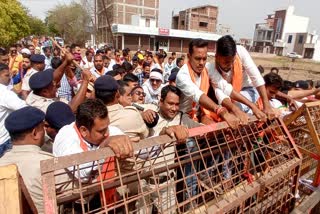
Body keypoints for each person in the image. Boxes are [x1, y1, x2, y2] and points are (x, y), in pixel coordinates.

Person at [136, 85, 191, 213]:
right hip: (143, 182)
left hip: (166, 182)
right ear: (161, 102)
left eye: (177, 104)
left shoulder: (181, 118)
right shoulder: (150, 110)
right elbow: (127, 106)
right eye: (170, 103)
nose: (174, 108)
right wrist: (141, 113)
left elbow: (201, 127)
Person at [53, 99, 134, 182]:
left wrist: (129, 144)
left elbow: (137, 151)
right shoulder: (66, 137)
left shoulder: (106, 130)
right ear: (84, 130)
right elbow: (82, 174)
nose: (106, 133)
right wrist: (103, 148)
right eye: (101, 131)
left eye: (107, 127)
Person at [0, 106, 61, 213]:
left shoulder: (2, 163)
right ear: (35, 133)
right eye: (42, 128)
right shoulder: (47, 163)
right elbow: (79, 193)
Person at [175, 39, 240, 128]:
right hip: (183, 116)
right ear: (189, 57)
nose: (201, 63)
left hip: (200, 112)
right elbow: (198, 95)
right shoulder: (182, 75)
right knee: (211, 131)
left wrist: (251, 107)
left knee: (225, 123)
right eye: (198, 59)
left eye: (204, 59)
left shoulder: (207, 68)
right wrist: (221, 111)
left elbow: (225, 87)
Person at [208, 35, 274, 118]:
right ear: (217, 57)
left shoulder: (241, 52)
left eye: (232, 61)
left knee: (234, 111)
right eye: (226, 62)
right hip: (229, 95)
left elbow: (256, 78)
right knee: (229, 111)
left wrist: (266, 105)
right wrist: (248, 107)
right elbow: (223, 93)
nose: (230, 65)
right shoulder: (212, 68)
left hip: (248, 91)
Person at [0, 63, 26, 155]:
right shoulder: (5, 93)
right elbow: (25, 109)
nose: (9, 78)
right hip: (3, 141)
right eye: (6, 75)